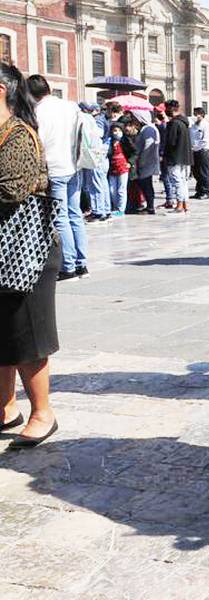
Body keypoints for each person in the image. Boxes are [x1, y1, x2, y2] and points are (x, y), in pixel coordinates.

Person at [0, 63, 61, 447]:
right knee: (3, 334)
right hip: (3, 251)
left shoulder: (19, 134)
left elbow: (10, 190)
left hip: (26, 251)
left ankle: (43, 413)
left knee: (27, 335)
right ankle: (6, 408)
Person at [27, 75, 89, 281]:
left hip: (55, 169)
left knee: (60, 218)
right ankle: (81, 264)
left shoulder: (38, 112)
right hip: (74, 165)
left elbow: (38, 143)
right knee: (75, 215)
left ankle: (68, 267)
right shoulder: (70, 106)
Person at [77, 102, 111, 222]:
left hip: (95, 155)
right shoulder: (101, 119)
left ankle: (98, 211)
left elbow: (96, 136)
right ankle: (105, 209)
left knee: (95, 183)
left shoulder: (95, 120)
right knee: (102, 182)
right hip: (101, 155)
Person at [163, 100, 192, 213]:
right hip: (185, 157)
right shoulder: (184, 122)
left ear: (171, 108)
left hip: (175, 157)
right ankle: (185, 204)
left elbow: (171, 141)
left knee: (177, 181)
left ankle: (179, 205)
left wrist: (164, 155)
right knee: (183, 181)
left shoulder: (174, 123)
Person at [130, 110, 160, 215]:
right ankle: (149, 206)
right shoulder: (144, 129)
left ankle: (150, 207)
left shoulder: (148, 130)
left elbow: (148, 147)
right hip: (145, 161)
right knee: (145, 185)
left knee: (146, 185)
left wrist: (141, 161)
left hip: (147, 162)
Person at [189, 107, 209, 199]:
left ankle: (205, 192)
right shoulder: (193, 126)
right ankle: (199, 191)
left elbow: (205, 140)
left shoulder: (207, 126)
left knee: (203, 172)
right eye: (194, 114)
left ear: (202, 115)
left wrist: (195, 147)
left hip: (203, 150)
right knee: (196, 172)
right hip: (194, 151)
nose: (195, 116)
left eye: (197, 114)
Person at [106, 121, 130, 216]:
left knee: (121, 189)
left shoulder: (125, 141)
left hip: (123, 167)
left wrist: (130, 162)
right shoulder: (110, 142)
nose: (116, 133)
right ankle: (115, 207)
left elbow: (134, 152)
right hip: (112, 168)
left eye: (119, 130)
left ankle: (121, 209)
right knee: (112, 189)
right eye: (115, 130)